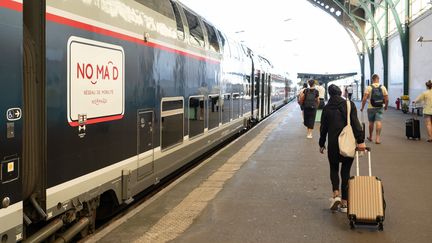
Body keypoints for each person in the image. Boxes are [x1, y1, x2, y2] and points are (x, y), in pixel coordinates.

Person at [319, 84, 366, 213]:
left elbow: (323, 128)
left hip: (333, 144)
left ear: (329, 94)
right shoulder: (349, 104)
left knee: (334, 169)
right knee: (345, 172)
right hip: (348, 143)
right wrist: (361, 141)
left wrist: (321, 143)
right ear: (340, 93)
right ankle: (345, 203)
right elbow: (356, 123)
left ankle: (336, 194)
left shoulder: (327, 108)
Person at [360, 74, 389, 144]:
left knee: (371, 123)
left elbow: (364, 99)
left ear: (372, 79)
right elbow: (387, 99)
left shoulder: (369, 87)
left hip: (371, 108)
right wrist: (386, 106)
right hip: (379, 107)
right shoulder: (383, 87)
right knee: (378, 122)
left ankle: (370, 137)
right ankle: (377, 138)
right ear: (378, 79)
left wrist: (362, 107)